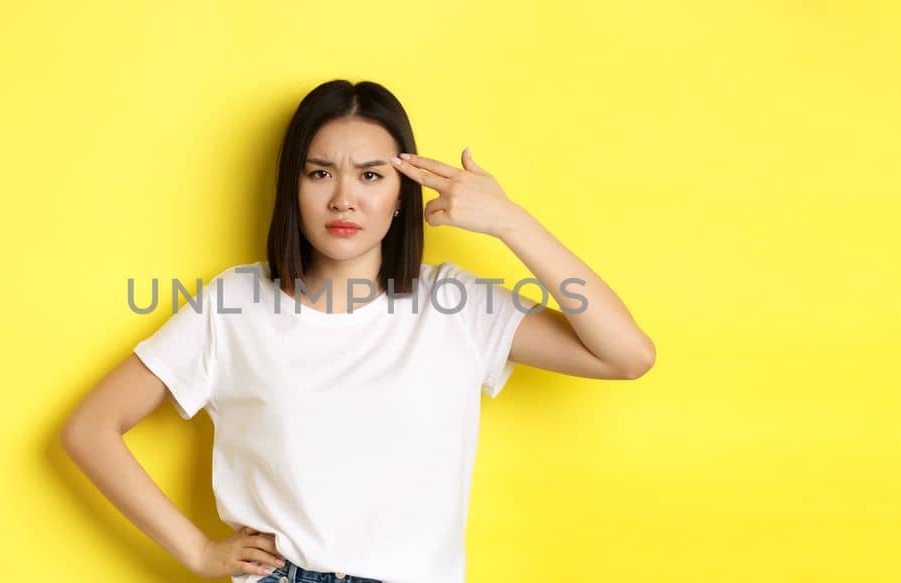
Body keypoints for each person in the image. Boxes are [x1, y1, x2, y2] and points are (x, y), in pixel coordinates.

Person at [59, 79, 655, 583]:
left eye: (371, 176)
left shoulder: (455, 304)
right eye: (320, 173)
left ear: (401, 195)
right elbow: (90, 427)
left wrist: (509, 222)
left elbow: (627, 355)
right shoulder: (233, 303)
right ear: (292, 187)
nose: (344, 198)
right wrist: (196, 551)